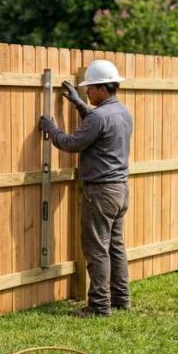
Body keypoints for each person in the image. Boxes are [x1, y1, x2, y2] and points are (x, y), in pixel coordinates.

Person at [39, 59, 133, 317]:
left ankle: (99, 306)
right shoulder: (123, 112)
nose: (87, 93)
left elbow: (71, 143)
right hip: (120, 190)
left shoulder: (98, 116)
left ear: (103, 88)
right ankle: (121, 299)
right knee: (115, 247)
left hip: (101, 193)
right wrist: (80, 104)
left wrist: (51, 129)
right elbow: (99, 129)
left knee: (96, 249)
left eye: (90, 89)